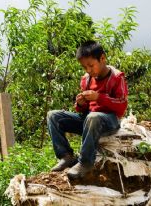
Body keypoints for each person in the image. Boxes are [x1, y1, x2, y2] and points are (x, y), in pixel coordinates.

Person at [47, 40, 128, 179]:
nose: (89, 70)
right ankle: (66, 157)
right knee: (53, 116)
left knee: (93, 117)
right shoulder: (86, 79)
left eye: (91, 65)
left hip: (109, 120)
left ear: (102, 58)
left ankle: (85, 162)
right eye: (85, 67)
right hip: (89, 120)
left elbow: (122, 105)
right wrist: (80, 103)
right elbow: (83, 110)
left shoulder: (116, 77)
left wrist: (99, 97)